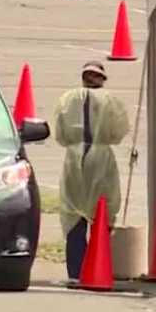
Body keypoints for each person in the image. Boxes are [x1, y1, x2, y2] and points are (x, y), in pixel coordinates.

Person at [53, 61, 131, 283]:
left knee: (74, 212)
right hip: (101, 157)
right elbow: (119, 131)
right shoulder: (111, 100)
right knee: (102, 211)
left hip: (74, 156)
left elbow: (60, 132)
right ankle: (99, 266)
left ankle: (76, 271)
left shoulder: (67, 99)